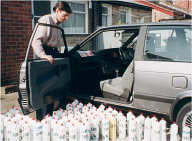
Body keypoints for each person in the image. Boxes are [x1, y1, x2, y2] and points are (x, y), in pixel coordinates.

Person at [31, 1, 72, 120]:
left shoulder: (59, 24)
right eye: (65, 15)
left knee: (54, 89)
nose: (66, 18)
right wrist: (43, 55)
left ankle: (51, 118)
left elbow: (57, 43)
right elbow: (36, 41)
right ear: (57, 11)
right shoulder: (46, 20)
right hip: (44, 56)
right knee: (44, 90)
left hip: (53, 54)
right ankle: (42, 120)